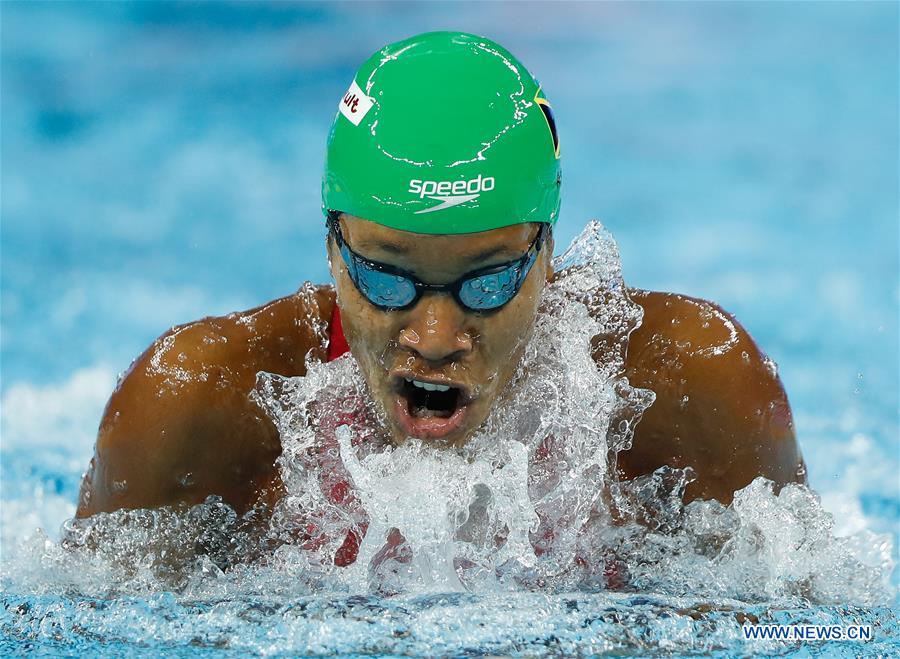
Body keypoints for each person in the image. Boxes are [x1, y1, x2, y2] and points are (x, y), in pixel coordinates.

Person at [75, 32, 804, 539]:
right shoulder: (196, 406)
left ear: (546, 254)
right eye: (387, 279)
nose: (433, 339)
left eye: (486, 284)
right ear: (333, 249)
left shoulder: (693, 388)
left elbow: (809, 627)